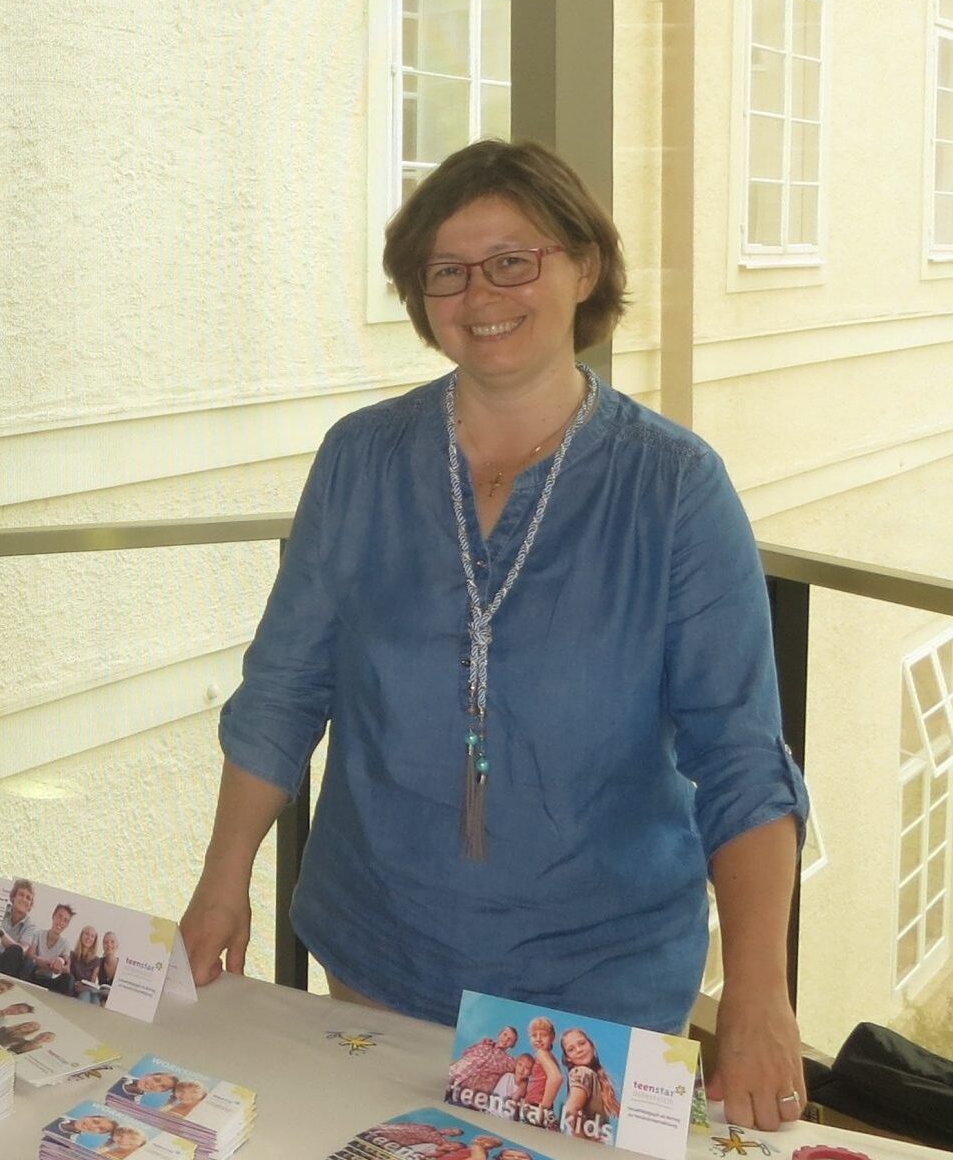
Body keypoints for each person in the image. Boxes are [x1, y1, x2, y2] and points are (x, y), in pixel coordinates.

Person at [176, 138, 810, 1131]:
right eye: (447, 270)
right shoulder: (361, 460)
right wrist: (220, 886)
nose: (482, 293)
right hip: (377, 947)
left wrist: (761, 992)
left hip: (593, 990)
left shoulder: (673, 488)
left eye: (515, 258)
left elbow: (739, 754)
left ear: (583, 267)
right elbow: (283, 690)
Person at [559, 1027, 623, 1143]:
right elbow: (570, 1111)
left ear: (591, 1045)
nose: (579, 1050)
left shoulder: (595, 1076)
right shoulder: (582, 1072)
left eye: (582, 1043)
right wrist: (582, 1144)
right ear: (568, 1058)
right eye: (571, 1049)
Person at [446, 1024, 518, 1097]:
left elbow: (520, 1074)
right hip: (454, 1076)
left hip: (472, 1091)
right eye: (505, 1035)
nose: (505, 1039)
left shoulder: (508, 1061)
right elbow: (464, 1058)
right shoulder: (483, 1045)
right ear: (499, 1034)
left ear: (512, 1045)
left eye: (510, 1039)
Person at [0, 878, 43, 977]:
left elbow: (22, 950)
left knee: (16, 952)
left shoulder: (30, 926)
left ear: (30, 905)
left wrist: (1, 934)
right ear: (13, 897)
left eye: (28, 898)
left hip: (9, 962)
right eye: (21, 894)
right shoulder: (0, 909)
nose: (24, 899)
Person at [28, 903, 80, 993]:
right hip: (34, 974)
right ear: (53, 916)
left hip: (50, 980)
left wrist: (58, 966)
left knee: (68, 978)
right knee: (28, 964)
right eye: (59, 917)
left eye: (65, 920)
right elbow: (30, 954)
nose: (61, 922)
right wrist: (41, 960)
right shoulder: (38, 933)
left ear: (67, 924)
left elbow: (67, 967)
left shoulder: (65, 943)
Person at [67, 925, 105, 1000]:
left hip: (87, 990)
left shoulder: (96, 960)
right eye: (87, 934)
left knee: (94, 998)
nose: (89, 938)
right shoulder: (72, 955)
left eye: (92, 936)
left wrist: (84, 988)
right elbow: (68, 975)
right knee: (86, 996)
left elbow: (92, 983)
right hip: (72, 988)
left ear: (94, 940)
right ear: (81, 935)